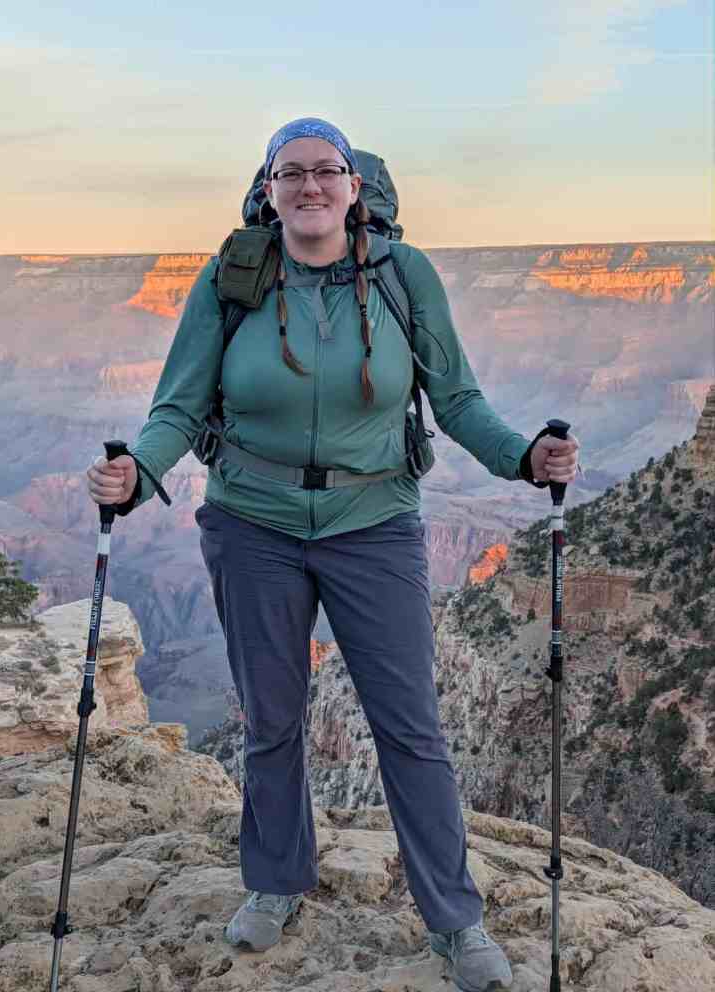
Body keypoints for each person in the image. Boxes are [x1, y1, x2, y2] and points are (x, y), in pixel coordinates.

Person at [87, 117, 579, 992]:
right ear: (268, 190)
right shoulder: (232, 277)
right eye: (291, 174)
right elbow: (176, 405)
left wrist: (521, 456)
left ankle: (456, 922)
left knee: (411, 729)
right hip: (252, 523)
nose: (309, 188)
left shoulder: (402, 275)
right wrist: (137, 471)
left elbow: (457, 397)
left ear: (355, 187)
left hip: (373, 521)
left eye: (326, 173)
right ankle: (275, 881)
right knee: (273, 719)